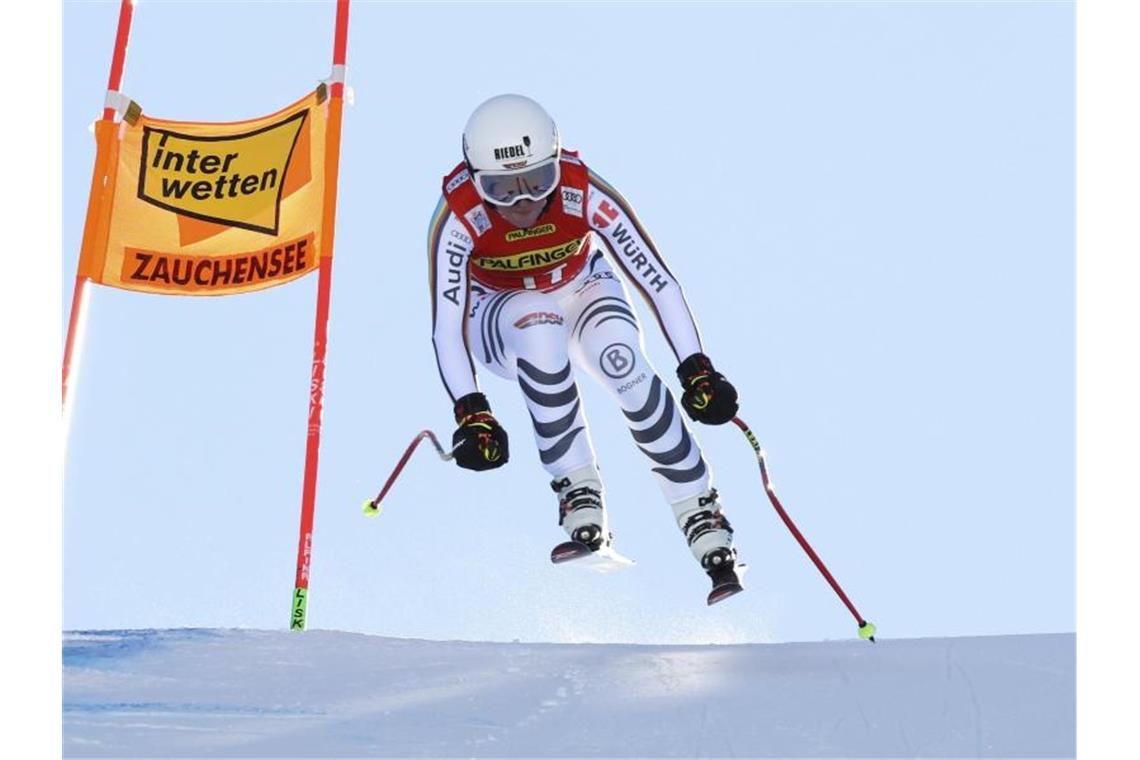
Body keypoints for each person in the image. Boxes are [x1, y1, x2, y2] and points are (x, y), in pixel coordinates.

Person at [427, 94, 745, 603]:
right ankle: (578, 490)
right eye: (501, 189)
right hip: (500, 313)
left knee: (623, 360)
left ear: (556, 164)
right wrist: (473, 413)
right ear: (475, 180)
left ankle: (701, 513)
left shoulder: (583, 192)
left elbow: (658, 282)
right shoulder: (460, 218)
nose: (522, 201)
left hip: (582, 286)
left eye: (536, 181)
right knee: (540, 326)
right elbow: (446, 326)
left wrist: (697, 370)